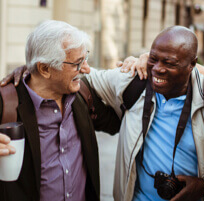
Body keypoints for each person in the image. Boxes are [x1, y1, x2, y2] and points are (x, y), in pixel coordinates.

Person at [85, 26, 204, 201]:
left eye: (169, 63)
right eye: (153, 59)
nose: (158, 69)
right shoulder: (132, 82)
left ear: (192, 64)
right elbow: (87, 78)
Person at [0, 20, 120, 201]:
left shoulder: (82, 94)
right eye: (77, 63)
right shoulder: (5, 103)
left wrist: (143, 64)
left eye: (85, 58)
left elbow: (117, 123)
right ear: (45, 69)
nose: (86, 69)